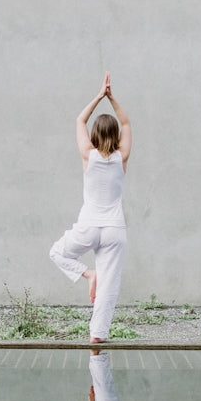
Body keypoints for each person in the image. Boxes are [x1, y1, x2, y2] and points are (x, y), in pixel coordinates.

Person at [49, 72, 133, 343]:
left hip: (88, 226)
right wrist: (113, 98)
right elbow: (127, 121)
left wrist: (99, 96)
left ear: (95, 135)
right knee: (109, 286)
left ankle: (88, 274)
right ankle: (98, 335)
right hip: (114, 230)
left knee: (57, 252)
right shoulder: (122, 157)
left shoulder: (88, 154)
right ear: (116, 136)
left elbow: (79, 120)